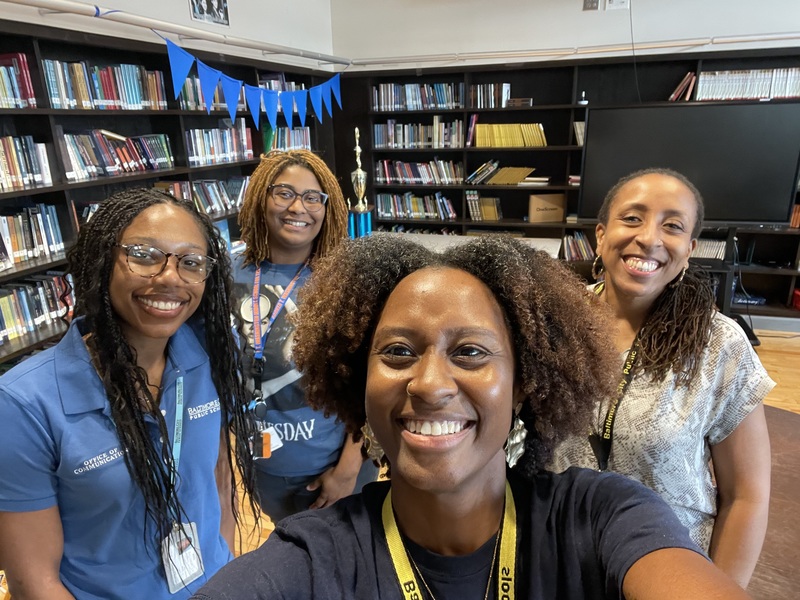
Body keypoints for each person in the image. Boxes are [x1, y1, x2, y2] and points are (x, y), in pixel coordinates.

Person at [192, 233, 751, 600]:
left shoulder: (601, 517)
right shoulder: (315, 558)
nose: (431, 384)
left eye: (471, 352)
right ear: (356, 383)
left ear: (524, 383)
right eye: (398, 352)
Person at [0, 188, 258, 600]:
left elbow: (218, 474)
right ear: (103, 261)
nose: (170, 277)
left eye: (191, 262)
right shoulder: (23, 404)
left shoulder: (208, 355)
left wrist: (223, 571)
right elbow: (35, 584)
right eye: (144, 254)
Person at [550, 168, 774, 589]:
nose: (649, 238)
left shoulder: (718, 344)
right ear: (600, 235)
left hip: (669, 570)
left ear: (689, 250)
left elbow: (747, 496)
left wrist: (714, 590)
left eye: (672, 226)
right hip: (556, 563)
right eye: (632, 218)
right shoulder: (554, 324)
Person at [232, 149, 378, 523]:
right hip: (264, 465)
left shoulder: (346, 279)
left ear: (327, 208)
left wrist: (347, 471)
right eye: (284, 193)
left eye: (313, 197)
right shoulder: (228, 276)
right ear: (261, 198)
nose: (298, 207)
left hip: (335, 468)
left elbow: (370, 384)